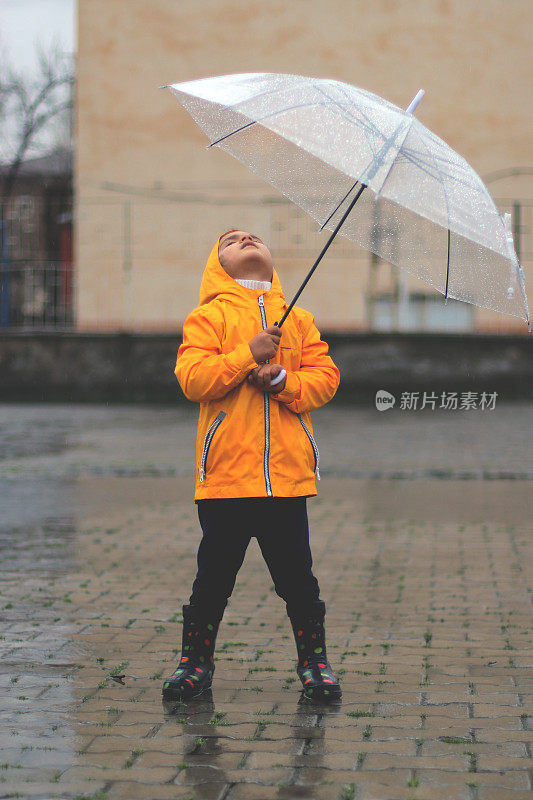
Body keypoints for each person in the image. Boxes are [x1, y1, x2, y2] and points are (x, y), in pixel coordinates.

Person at [162, 229, 342, 703]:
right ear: (217, 263)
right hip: (226, 477)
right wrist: (248, 354)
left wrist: (282, 379)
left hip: (286, 479)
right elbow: (193, 378)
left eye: (254, 237)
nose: (246, 239)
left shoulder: (298, 320)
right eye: (231, 240)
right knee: (214, 577)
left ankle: (315, 662)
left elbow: (325, 379)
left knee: (298, 578)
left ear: (270, 257)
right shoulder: (208, 318)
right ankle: (194, 663)